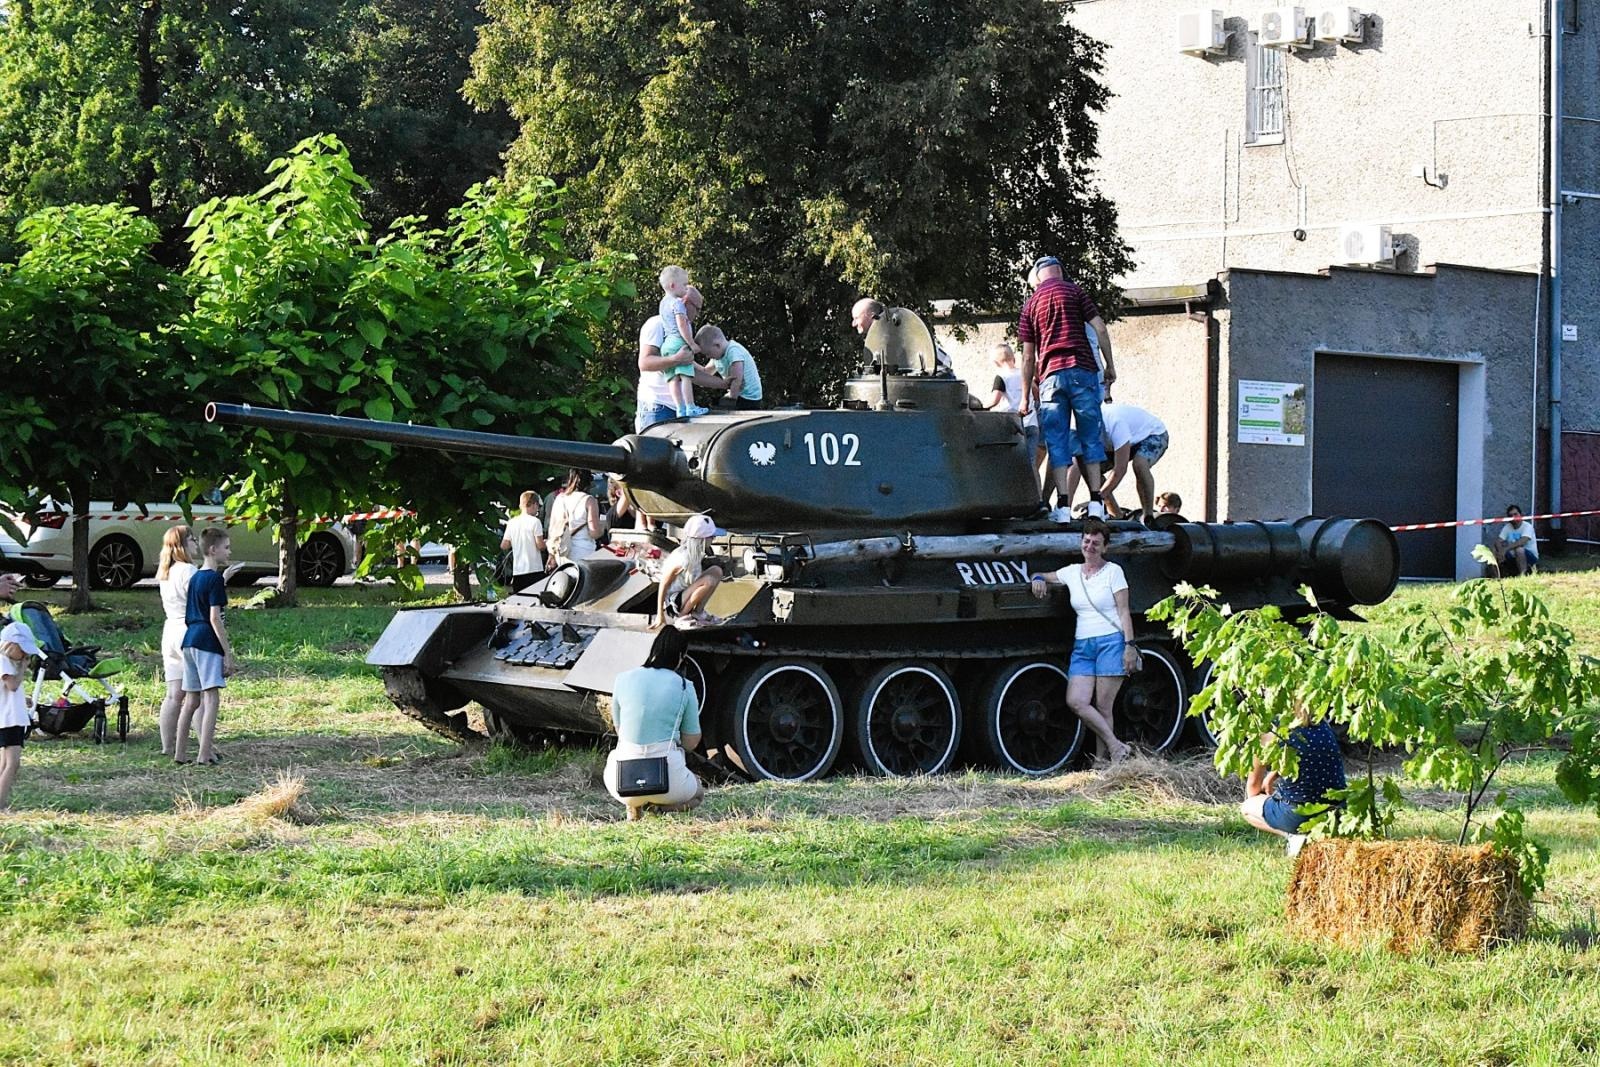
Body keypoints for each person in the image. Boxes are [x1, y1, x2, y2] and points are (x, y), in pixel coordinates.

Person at [1016, 256, 1118, 522]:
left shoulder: (1030, 304)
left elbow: (1028, 357)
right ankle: (1096, 502)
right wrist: (1109, 366)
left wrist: (1025, 397)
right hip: (1082, 371)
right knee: (1090, 436)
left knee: (1057, 441)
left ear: (1037, 278)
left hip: (1050, 377)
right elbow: (1101, 329)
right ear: (1060, 271)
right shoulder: (1076, 292)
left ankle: (1062, 507)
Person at [1030, 518, 1134, 764]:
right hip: (1084, 645)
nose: (1090, 546)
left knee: (1103, 706)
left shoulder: (1113, 572)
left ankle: (1101, 763)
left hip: (1111, 641)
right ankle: (1116, 747)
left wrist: (1129, 646)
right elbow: (1043, 574)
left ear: (1105, 547)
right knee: (1076, 701)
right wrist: (1037, 578)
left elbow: (1124, 611)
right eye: (1086, 541)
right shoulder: (1071, 572)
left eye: (1096, 543)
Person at [603, 627, 705, 821]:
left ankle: (634, 807)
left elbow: (620, 730)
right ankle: (661, 809)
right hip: (668, 782)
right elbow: (691, 743)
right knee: (698, 795)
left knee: (624, 752)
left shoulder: (621, 679)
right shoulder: (685, 686)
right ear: (681, 656)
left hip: (623, 782)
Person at [1240, 717, 1347, 856]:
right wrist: (1272, 776)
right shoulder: (1321, 722)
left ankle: (1294, 835)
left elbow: (1253, 788)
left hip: (1298, 814)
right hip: (1338, 810)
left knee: (1247, 807)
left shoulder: (1268, 731)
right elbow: (1309, 757)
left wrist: (1267, 799)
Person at [173, 528, 235, 766]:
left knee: (191, 700)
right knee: (211, 698)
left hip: (189, 640)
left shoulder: (197, 577)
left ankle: (179, 753)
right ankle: (203, 753)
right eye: (226, 547)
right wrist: (227, 653)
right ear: (213, 549)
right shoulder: (215, 579)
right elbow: (215, 618)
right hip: (207, 641)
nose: (229, 551)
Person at [637, 286, 729, 432]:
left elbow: (689, 372)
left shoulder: (685, 330)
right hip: (657, 408)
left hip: (681, 410)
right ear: (684, 302)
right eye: (697, 309)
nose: (698, 314)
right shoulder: (657, 324)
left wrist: (724, 384)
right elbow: (645, 363)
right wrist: (676, 358)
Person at [1077, 402, 1168, 523]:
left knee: (1139, 464)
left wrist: (1096, 500)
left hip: (1153, 434)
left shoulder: (1115, 425)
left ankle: (1148, 515)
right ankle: (1116, 514)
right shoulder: (1080, 429)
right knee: (1090, 468)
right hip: (1120, 441)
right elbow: (1076, 468)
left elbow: (1120, 470)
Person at [156, 525, 198, 756]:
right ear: (182, 544)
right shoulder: (189, 571)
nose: (195, 544)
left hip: (170, 630)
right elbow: (199, 601)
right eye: (192, 539)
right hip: (188, 629)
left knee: (173, 694)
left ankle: (167, 745)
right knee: (197, 693)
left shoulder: (165, 571)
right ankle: (204, 744)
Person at [984, 341, 1042, 493]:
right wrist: (1035, 405)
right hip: (1032, 424)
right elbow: (1036, 392)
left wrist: (981, 407)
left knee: (1011, 464)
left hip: (1012, 425)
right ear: (1013, 359)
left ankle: (1014, 496)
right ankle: (1038, 498)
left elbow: (994, 400)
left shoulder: (1001, 377)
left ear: (996, 363)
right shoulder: (1024, 374)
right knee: (1031, 464)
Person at [654, 514, 724, 630]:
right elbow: (663, 584)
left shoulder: (696, 554)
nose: (713, 540)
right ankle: (681, 618)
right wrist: (660, 614)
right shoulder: (683, 558)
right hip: (674, 603)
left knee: (716, 571)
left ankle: (698, 613)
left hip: (684, 594)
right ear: (702, 539)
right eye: (712, 537)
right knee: (708, 581)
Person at [658, 265, 709, 419]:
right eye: (684, 285)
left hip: (667, 345)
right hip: (679, 341)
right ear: (673, 285)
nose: (686, 288)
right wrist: (691, 343)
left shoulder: (663, 303)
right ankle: (690, 406)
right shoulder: (677, 303)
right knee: (686, 377)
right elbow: (682, 325)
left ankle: (680, 409)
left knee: (673, 378)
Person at [0, 619, 40, 810]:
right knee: (12, 764)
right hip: (8, 720)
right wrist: (23, 668)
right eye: (22, 651)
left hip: (9, 716)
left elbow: (6, 693)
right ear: (11, 645)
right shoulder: (4, 661)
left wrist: (24, 700)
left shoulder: (6, 662)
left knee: (5, 763)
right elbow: (12, 685)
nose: (24, 655)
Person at [695, 325, 763, 409]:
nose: (707, 357)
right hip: (738, 394)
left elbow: (737, 380)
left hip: (749, 397)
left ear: (717, 345)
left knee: (723, 405)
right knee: (720, 403)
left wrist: (731, 400)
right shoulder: (717, 356)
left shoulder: (733, 351)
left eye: (708, 353)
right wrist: (690, 362)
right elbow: (706, 372)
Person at [547, 469, 604, 566]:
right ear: (589, 482)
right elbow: (594, 533)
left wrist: (551, 554)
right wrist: (603, 527)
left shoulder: (560, 498)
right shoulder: (589, 500)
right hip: (583, 551)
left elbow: (552, 528)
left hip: (562, 551)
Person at [499, 491, 547, 593]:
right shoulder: (535, 522)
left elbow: (504, 545)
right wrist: (547, 543)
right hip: (534, 570)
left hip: (518, 571)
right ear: (534, 504)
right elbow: (540, 546)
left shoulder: (512, 523)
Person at [1494, 504, 1540, 576]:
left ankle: (1523, 574)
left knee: (1519, 550)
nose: (1513, 517)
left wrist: (1505, 549)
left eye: (1515, 514)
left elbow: (1523, 541)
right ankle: (1497, 576)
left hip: (1530, 556)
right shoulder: (1507, 527)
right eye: (1511, 516)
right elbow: (1498, 541)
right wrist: (1500, 551)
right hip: (1512, 555)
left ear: (1521, 515)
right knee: (1494, 549)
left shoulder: (1527, 526)